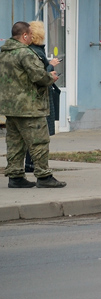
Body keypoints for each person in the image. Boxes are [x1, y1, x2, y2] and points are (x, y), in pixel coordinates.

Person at [1, 22, 65, 188]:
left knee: (15, 143)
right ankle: (44, 176)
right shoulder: (26, 54)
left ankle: (15, 177)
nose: (31, 38)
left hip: (10, 107)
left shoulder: (4, 53)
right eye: (29, 35)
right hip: (29, 106)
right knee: (39, 142)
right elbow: (39, 77)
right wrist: (50, 77)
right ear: (24, 36)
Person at [23, 21, 60, 174]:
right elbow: (39, 74)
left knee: (34, 134)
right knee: (38, 135)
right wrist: (50, 68)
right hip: (38, 99)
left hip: (35, 98)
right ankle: (35, 166)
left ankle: (31, 164)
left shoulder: (31, 51)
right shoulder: (35, 52)